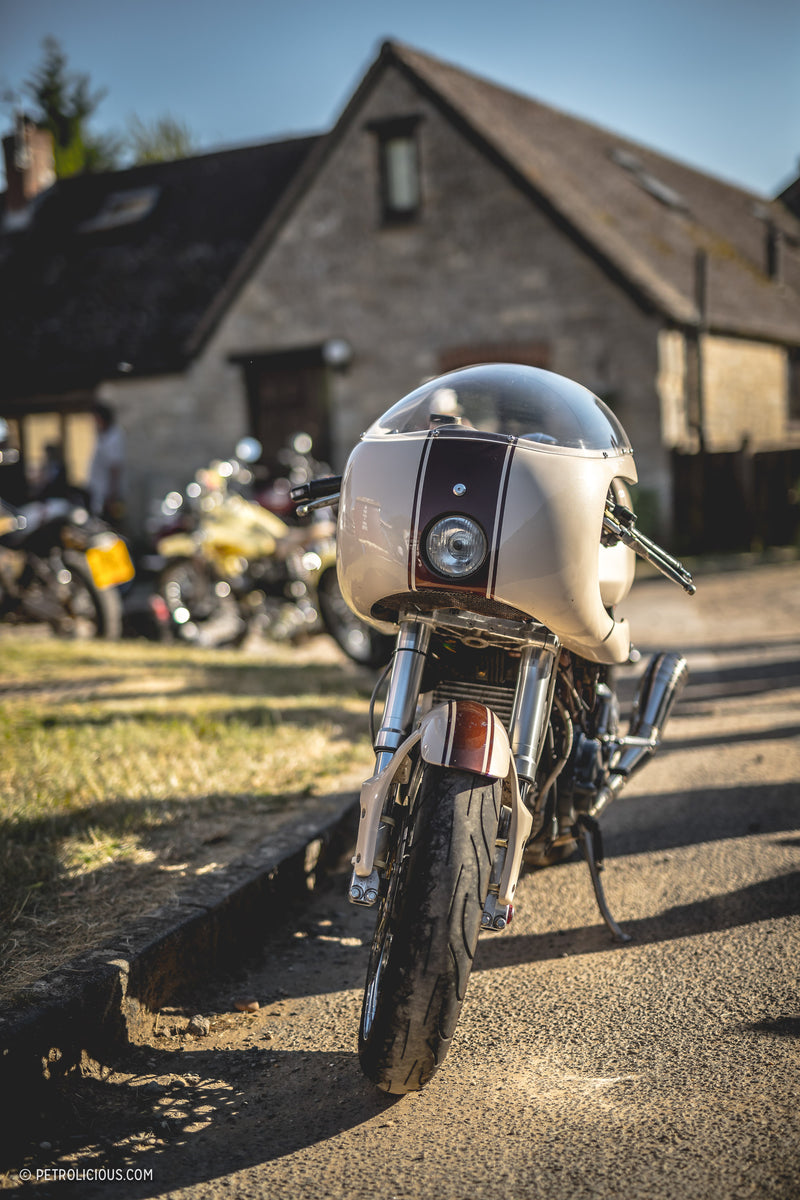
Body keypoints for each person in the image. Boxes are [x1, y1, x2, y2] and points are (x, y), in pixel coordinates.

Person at [88, 403, 126, 522]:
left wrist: (111, 496)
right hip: (99, 493)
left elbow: (115, 467)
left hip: (109, 495)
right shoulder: (102, 436)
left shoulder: (114, 437)